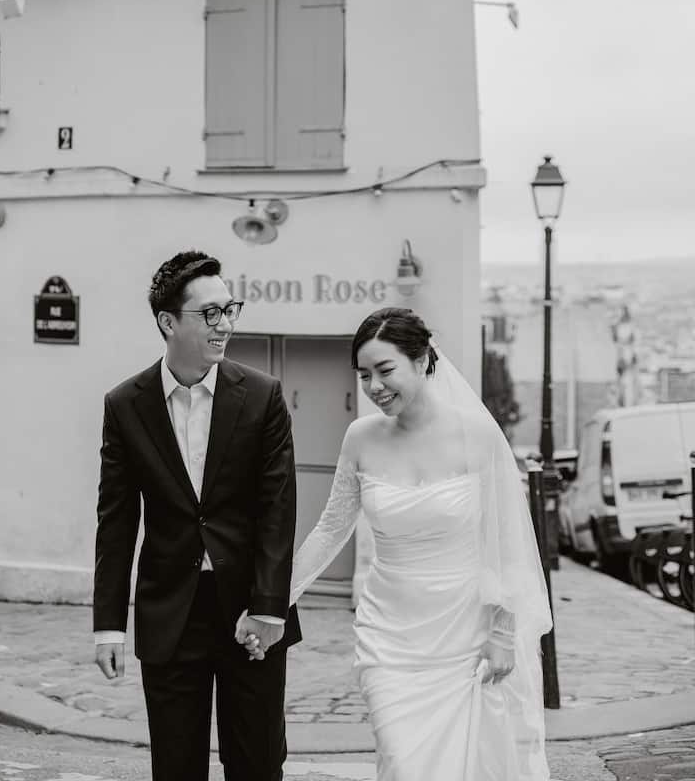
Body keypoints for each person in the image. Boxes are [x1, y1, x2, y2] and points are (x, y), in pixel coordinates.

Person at [241, 306, 552, 781]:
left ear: (422, 360)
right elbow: (330, 530)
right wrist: (272, 604)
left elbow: (507, 540)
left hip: (465, 634)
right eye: (364, 374)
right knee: (404, 762)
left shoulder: (479, 436)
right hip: (389, 637)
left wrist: (504, 633)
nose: (374, 386)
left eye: (385, 370)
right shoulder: (360, 437)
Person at [93, 250, 301, 781]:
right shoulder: (125, 404)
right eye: (210, 313)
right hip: (170, 613)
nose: (225, 323)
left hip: (250, 615)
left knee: (256, 764)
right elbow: (116, 521)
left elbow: (278, 510)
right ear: (168, 322)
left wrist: (269, 608)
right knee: (176, 767)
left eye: (230, 309)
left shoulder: (263, 396)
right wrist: (109, 626)